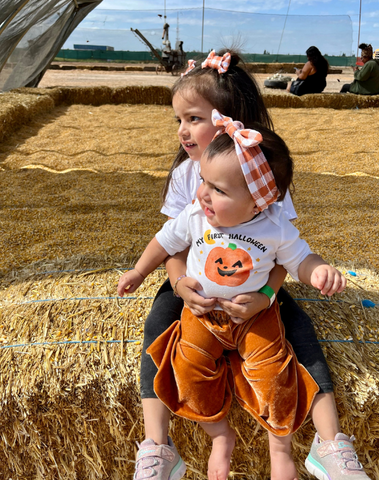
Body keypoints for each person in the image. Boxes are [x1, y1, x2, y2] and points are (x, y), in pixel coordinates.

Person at [121, 50, 370, 480]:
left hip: (257, 290)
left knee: (301, 333)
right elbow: (172, 243)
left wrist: (266, 297)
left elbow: (285, 254)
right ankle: (158, 446)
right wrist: (179, 288)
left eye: (194, 119)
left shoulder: (263, 172)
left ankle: (329, 442)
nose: (183, 131)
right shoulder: (188, 175)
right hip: (194, 286)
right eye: (178, 120)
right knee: (158, 327)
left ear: (226, 120)